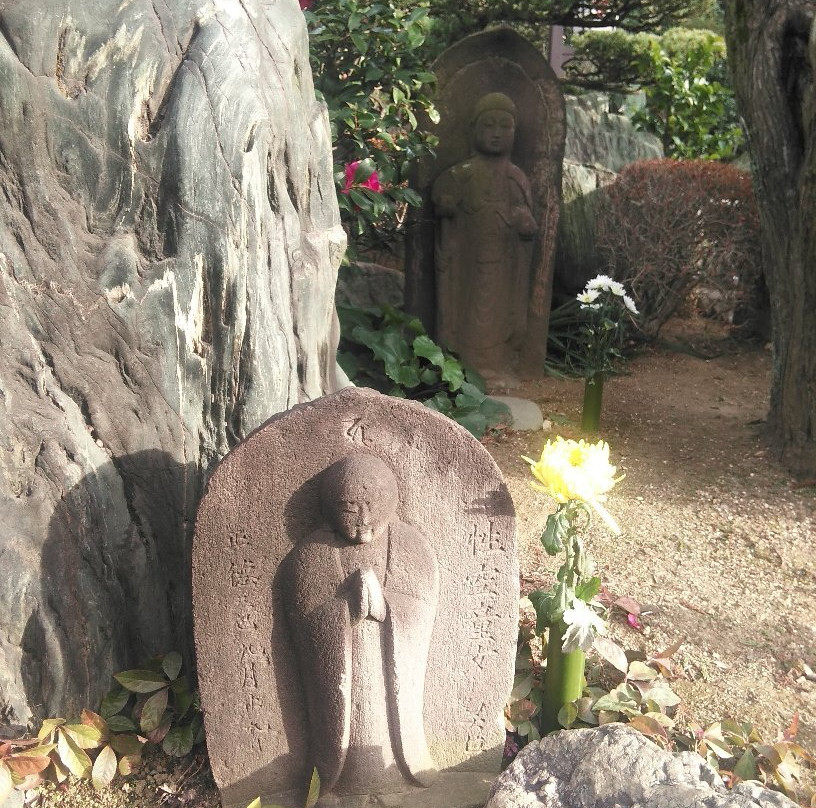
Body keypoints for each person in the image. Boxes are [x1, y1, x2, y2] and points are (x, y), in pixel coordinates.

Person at [283, 453, 439, 796]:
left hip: (389, 665)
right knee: (347, 731)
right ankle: (341, 786)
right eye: (350, 509)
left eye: (371, 506)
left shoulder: (409, 545)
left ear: (389, 503)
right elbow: (303, 618)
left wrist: (387, 608)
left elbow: (423, 607)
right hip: (343, 672)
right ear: (331, 507)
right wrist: (344, 611)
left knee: (387, 728)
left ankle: (395, 779)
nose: (362, 518)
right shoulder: (313, 553)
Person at [432, 92, 537, 380]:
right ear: (473, 130)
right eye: (488, 126)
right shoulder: (461, 174)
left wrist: (524, 223)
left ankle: (499, 365)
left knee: (499, 316)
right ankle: (461, 365)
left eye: (505, 127)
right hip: (466, 262)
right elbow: (443, 193)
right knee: (466, 311)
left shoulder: (516, 178)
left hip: (503, 265)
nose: (496, 134)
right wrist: (446, 206)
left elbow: (525, 219)